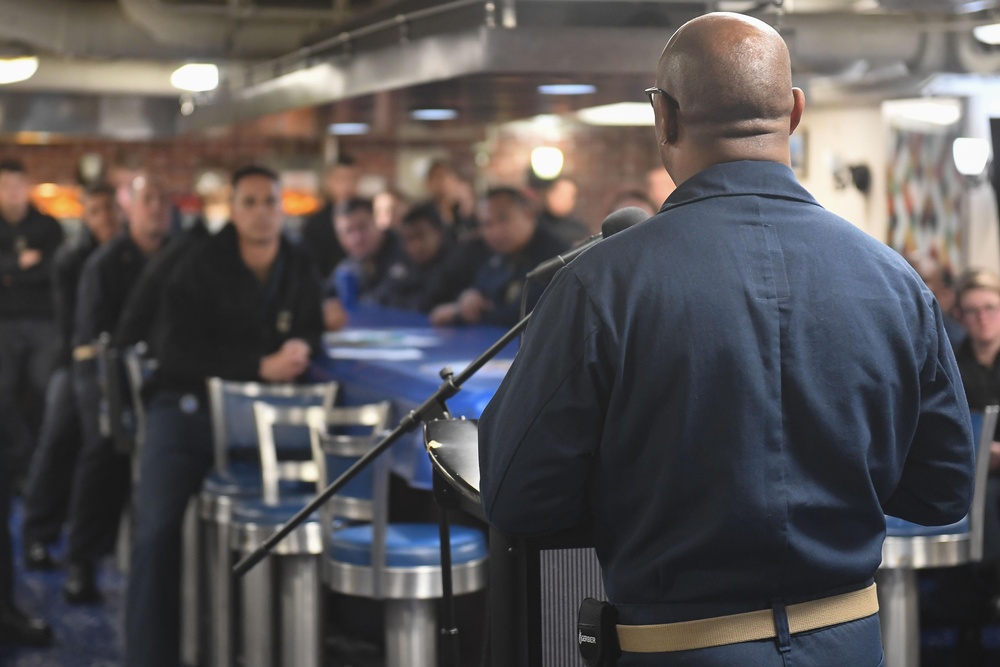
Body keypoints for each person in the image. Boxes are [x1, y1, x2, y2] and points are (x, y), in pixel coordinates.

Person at [479, 13, 975, 667]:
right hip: (850, 642)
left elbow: (518, 495)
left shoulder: (600, 284)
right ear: (794, 111)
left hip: (677, 647)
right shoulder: (895, 282)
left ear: (665, 117)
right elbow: (943, 490)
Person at [124, 165, 323, 667]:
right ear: (232, 210)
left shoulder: (299, 265)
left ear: (283, 208)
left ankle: (284, 645)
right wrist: (259, 366)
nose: (261, 213)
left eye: (270, 202)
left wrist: (303, 344)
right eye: (250, 202)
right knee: (155, 532)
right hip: (186, 409)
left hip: (265, 422)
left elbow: (312, 327)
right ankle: (150, 657)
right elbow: (174, 354)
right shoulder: (197, 263)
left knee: (314, 513)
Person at [63, 174, 172, 603]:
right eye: (148, 199)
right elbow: (90, 340)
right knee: (104, 446)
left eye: (163, 199)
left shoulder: (182, 258)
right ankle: (82, 559)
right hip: (103, 369)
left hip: (164, 375)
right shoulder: (106, 264)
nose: (157, 207)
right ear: (130, 208)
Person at [20, 183, 121, 572]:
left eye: (109, 209)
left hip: (114, 362)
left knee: (104, 450)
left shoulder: (129, 254)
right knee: (60, 438)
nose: (105, 219)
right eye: (96, 211)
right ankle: (38, 534)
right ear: (86, 216)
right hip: (74, 359)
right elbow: (69, 325)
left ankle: (92, 548)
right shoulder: (71, 259)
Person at [0, 159, 64, 484]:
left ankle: (39, 471)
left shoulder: (48, 226)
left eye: (18, 186)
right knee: (4, 394)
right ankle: (21, 461)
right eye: (6, 186)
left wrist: (10, 273)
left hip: (42, 322)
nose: (13, 194)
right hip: (4, 323)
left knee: (44, 391)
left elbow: (54, 271)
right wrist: (17, 264)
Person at [429, 187, 566, 328]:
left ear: (528, 214)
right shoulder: (500, 254)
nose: (495, 231)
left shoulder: (555, 258)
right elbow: (480, 290)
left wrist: (459, 313)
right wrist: (469, 298)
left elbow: (522, 317)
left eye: (503, 219)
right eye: (487, 224)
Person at [370, 203, 455, 312]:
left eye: (420, 235)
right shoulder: (402, 261)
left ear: (439, 232)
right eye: (409, 239)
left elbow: (427, 304)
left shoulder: (455, 265)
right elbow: (382, 296)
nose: (415, 245)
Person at [330, 197, 405, 304]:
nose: (357, 238)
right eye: (348, 231)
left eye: (362, 227)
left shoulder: (408, 254)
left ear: (378, 221)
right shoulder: (348, 267)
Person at [300, 155, 359, 279]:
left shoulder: (368, 219)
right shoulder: (315, 224)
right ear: (329, 181)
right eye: (341, 179)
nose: (346, 185)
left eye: (352, 179)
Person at [537, 176, 590, 246]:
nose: (563, 199)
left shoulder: (579, 230)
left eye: (569, 196)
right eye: (560, 194)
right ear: (549, 193)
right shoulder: (534, 225)